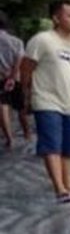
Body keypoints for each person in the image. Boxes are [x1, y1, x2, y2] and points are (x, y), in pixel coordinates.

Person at [20, 0, 70, 203]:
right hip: (46, 99)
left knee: (69, 147)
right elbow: (26, 68)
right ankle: (60, 190)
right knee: (52, 145)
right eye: (69, 16)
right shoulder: (42, 40)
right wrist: (26, 93)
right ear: (56, 18)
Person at [0, 11, 28, 148]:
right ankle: (27, 134)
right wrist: (12, 76)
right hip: (16, 78)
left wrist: (4, 74)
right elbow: (20, 59)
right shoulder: (17, 41)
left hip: (1, 78)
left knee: (2, 107)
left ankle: (9, 139)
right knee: (21, 108)